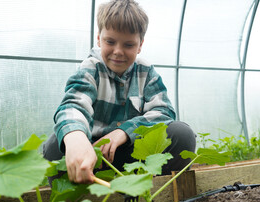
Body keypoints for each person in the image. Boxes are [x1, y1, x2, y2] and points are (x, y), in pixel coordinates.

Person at [43, 0, 196, 184]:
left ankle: (152, 192)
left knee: (182, 134)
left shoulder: (146, 72)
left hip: (133, 154)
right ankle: (86, 188)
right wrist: (76, 138)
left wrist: (123, 132)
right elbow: (74, 105)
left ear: (140, 45)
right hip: (93, 156)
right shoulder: (91, 68)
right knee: (54, 147)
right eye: (110, 41)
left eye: (128, 45)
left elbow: (164, 113)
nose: (118, 51)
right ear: (99, 38)